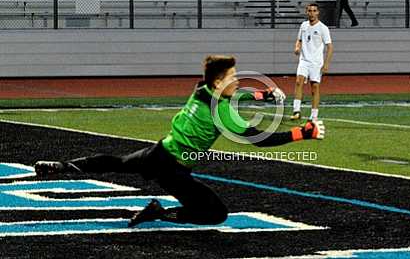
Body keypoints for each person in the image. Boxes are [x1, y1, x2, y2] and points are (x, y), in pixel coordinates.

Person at [35, 55, 325, 227]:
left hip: (160, 150)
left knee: (118, 162)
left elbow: (231, 93)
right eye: (233, 76)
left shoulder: (201, 90)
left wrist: (262, 96)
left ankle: (59, 166)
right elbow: (257, 139)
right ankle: (161, 213)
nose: (238, 81)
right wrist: (303, 133)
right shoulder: (222, 112)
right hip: (174, 169)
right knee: (215, 214)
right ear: (217, 83)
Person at [290, 3, 334, 122]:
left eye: (314, 11)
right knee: (298, 82)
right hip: (304, 60)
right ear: (306, 12)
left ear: (318, 12)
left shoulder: (323, 28)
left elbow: (330, 47)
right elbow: (299, 40)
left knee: (314, 87)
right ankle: (296, 111)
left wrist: (326, 64)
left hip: (316, 63)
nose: (312, 13)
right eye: (310, 11)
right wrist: (297, 48)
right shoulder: (303, 25)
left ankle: (314, 115)